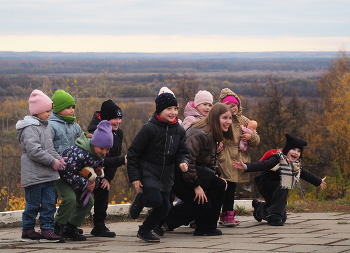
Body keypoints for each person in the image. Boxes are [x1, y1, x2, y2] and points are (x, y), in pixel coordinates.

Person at [127, 92, 189, 243]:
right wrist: (135, 177)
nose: (173, 112)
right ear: (159, 110)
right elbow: (133, 153)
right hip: (148, 172)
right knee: (155, 200)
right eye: (169, 108)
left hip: (167, 175)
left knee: (165, 207)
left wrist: (183, 161)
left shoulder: (179, 130)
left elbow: (183, 151)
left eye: (175, 108)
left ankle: (145, 230)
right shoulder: (149, 129)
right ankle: (141, 199)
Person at [163, 103, 232, 236]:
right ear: (215, 117)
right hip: (177, 175)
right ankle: (163, 221)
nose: (228, 122)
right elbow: (187, 161)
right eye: (224, 118)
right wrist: (196, 186)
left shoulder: (213, 133)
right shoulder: (201, 133)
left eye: (230, 118)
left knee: (220, 184)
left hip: (193, 172)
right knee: (201, 204)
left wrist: (215, 174)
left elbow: (211, 159)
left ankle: (207, 226)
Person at [232, 134, 327, 226]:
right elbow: (263, 164)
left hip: (278, 187)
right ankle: (274, 216)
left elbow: (304, 173)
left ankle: (260, 208)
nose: (295, 153)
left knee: (283, 217)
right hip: (265, 183)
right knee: (283, 188)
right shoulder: (277, 158)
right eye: (293, 149)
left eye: (299, 151)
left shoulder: (294, 165)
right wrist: (246, 166)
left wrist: (318, 181)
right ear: (287, 149)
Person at [16, 89, 65, 243]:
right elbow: (34, 151)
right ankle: (28, 230)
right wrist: (53, 162)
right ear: (37, 111)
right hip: (34, 176)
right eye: (46, 111)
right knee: (33, 204)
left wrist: (59, 159)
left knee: (50, 204)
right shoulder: (30, 128)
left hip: (48, 175)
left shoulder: (45, 126)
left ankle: (47, 230)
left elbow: (49, 149)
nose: (49, 114)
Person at [54, 120, 114, 241]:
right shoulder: (79, 152)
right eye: (102, 148)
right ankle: (57, 226)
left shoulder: (98, 154)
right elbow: (68, 172)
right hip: (62, 176)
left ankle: (70, 227)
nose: (104, 152)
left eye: (107, 150)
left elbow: (91, 171)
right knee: (70, 198)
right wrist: (86, 183)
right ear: (94, 143)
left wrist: (94, 181)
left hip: (77, 178)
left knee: (88, 202)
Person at [217, 88, 260, 226]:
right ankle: (225, 215)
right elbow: (213, 133)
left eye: (234, 105)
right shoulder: (220, 119)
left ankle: (227, 215)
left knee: (231, 187)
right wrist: (219, 142)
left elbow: (256, 140)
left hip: (237, 158)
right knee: (225, 186)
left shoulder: (243, 120)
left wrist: (250, 136)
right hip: (225, 157)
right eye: (228, 106)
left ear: (238, 106)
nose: (232, 108)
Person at [87, 99, 126, 237]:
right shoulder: (95, 131)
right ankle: (68, 226)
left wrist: (108, 177)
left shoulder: (118, 133)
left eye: (119, 118)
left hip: (104, 171)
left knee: (103, 193)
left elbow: (115, 156)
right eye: (114, 118)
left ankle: (99, 226)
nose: (118, 121)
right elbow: (98, 159)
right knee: (81, 200)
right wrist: (121, 161)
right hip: (88, 170)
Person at [49, 89, 82, 155]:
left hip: (74, 163)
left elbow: (81, 144)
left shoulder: (76, 126)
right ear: (59, 109)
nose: (72, 110)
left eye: (73, 107)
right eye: (68, 108)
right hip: (58, 162)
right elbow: (48, 148)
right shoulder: (51, 125)